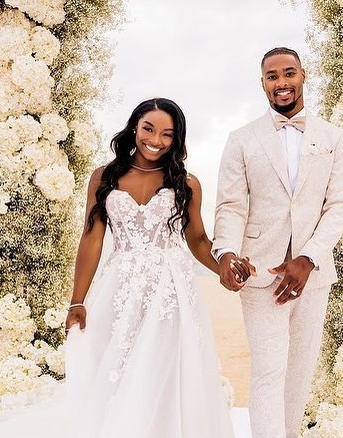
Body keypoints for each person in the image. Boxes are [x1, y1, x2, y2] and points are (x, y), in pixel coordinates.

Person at [62, 97, 252, 437]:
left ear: (176, 139)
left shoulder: (187, 183)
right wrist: (78, 300)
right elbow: (91, 237)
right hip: (118, 285)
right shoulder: (104, 177)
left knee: (162, 368)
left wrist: (225, 263)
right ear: (135, 127)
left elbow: (197, 240)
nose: (156, 140)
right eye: (149, 129)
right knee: (117, 366)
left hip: (171, 288)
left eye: (167, 134)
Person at [213, 48, 343, 438]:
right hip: (260, 274)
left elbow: (338, 206)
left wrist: (307, 258)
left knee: (300, 371)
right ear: (263, 84)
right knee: (269, 369)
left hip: (314, 276)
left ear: (303, 76)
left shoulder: (333, 138)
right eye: (272, 76)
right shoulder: (241, 139)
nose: (281, 82)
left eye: (288, 73)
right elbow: (230, 205)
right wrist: (225, 252)